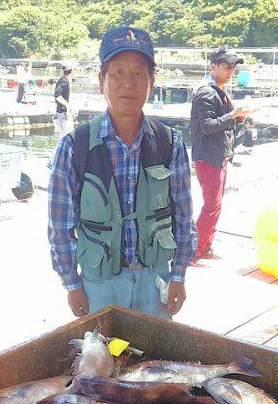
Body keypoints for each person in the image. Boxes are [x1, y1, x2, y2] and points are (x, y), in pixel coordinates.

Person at [48, 26, 197, 319]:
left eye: (138, 73)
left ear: (151, 82)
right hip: (99, 285)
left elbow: (183, 216)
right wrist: (72, 283)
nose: (128, 83)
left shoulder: (171, 142)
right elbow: (60, 226)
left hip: (155, 282)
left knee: (154, 360)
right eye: (117, 72)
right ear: (101, 80)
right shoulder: (73, 147)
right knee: (103, 361)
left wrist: (178, 275)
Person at [190, 46, 257, 264]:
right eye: (227, 67)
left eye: (233, 68)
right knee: (211, 206)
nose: (231, 72)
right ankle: (194, 251)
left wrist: (239, 117)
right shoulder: (206, 92)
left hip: (219, 156)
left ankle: (206, 247)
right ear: (213, 66)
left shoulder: (218, 89)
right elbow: (208, 126)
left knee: (215, 205)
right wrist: (234, 114)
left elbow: (221, 122)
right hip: (208, 158)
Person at [54, 63, 74, 138]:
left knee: (64, 138)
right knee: (66, 138)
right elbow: (57, 95)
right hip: (63, 114)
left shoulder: (63, 79)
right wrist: (67, 105)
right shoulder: (64, 81)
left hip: (61, 113)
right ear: (72, 71)